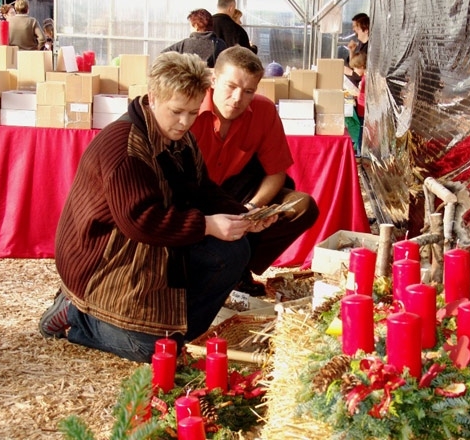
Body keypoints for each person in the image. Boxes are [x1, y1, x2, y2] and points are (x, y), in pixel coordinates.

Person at [38, 52, 277, 363]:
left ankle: (177, 334)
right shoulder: (124, 148)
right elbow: (140, 221)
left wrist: (243, 216)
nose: (185, 122)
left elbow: (202, 189)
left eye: (193, 112)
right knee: (150, 351)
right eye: (177, 112)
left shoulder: (181, 138)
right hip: (103, 258)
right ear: (153, 98)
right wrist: (207, 225)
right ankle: (78, 316)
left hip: (147, 242)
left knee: (232, 252)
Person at [191, 46, 320, 296]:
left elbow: (276, 172)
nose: (237, 98)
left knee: (303, 206)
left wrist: (252, 208)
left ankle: (240, 270)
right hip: (192, 194)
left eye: (248, 91)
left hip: (236, 193)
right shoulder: (190, 107)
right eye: (230, 86)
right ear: (213, 80)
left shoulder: (264, 110)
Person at [161, 8, 226, 68]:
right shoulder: (220, 44)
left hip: (187, 76)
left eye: (190, 26)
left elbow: (162, 55)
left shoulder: (184, 44)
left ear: (196, 26)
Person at [343, 13, 369, 87]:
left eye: (357, 27)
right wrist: (351, 52)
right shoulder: (359, 46)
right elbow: (353, 65)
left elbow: (363, 72)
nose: (354, 30)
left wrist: (351, 72)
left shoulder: (369, 49)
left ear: (366, 30)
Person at [349, 50, 367, 154]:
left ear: (362, 66)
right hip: (362, 109)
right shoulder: (364, 78)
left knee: (362, 133)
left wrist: (357, 93)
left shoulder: (366, 79)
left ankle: (360, 153)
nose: (355, 71)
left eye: (356, 68)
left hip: (364, 110)